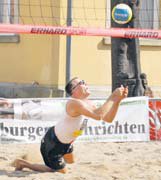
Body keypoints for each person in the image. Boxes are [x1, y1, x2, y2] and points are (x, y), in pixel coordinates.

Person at [13, 77, 128, 173]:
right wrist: (113, 96)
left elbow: (108, 119)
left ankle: (47, 159)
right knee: (60, 171)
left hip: (66, 143)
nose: (86, 83)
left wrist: (118, 100)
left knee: (71, 161)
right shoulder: (74, 103)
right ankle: (23, 163)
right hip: (53, 144)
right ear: (74, 91)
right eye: (81, 83)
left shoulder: (87, 103)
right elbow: (98, 115)